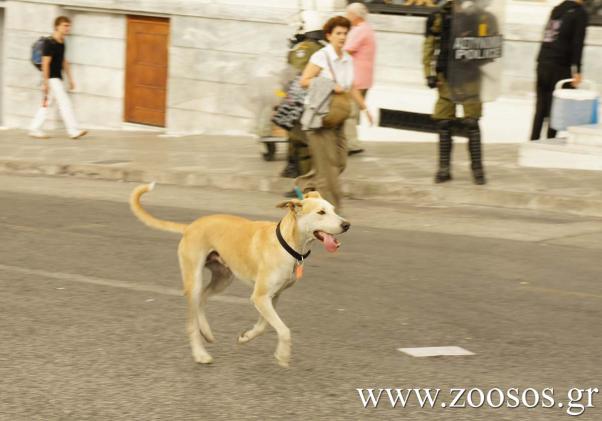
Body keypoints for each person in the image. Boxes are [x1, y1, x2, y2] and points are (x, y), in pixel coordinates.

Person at [294, 16, 373, 211]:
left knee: (340, 162)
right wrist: (330, 85)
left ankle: (303, 185)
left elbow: (352, 87)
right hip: (320, 120)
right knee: (328, 169)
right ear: (329, 36)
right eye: (338, 33)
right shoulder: (321, 56)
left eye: (345, 33)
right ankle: (333, 209)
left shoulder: (347, 59)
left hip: (337, 119)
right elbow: (304, 80)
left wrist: (365, 108)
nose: (342, 37)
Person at [423, 0, 501, 185]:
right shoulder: (441, 16)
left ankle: (477, 170)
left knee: (471, 123)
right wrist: (429, 73)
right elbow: (430, 44)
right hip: (447, 78)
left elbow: (492, 44)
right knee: (443, 122)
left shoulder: (483, 16)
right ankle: (444, 168)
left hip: (471, 77)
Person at [530, 0, 588, 141]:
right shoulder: (580, 13)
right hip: (559, 65)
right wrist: (577, 71)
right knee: (556, 108)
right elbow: (577, 43)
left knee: (541, 107)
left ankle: (534, 140)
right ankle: (549, 142)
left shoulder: (557, 9)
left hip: (543, 62)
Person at [279, 11, 325, 179]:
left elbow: (293, 75)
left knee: (299, 140)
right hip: (316, 99)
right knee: (303, 138)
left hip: (300, 98)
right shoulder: (322, 47)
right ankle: (296, 171)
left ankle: (303, 179)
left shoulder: (303, 49)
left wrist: (281, 95)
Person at [29, 16, 87, 140]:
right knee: (65, 103)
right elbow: (45, 63)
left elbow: (64, 61)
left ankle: (34, 128)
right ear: (57, 26)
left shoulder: (62, 42)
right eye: (65, 26)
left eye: (69, 26)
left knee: (46, 104)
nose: (68, 28)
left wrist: (71, 79)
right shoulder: (49, 43)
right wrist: (45, 83)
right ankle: (73, 130)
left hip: (57, 78)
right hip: (51, 78)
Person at [344, 2, 376, 156]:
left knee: (350, 111)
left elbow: (347, 50)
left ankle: (351, 144)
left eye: (348, 14)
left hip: (356, 77)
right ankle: (352, 140)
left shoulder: (359, 30)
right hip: (365, 77)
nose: (346, 17)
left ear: (355, 16)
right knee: (354, 110)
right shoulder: (367, 29)